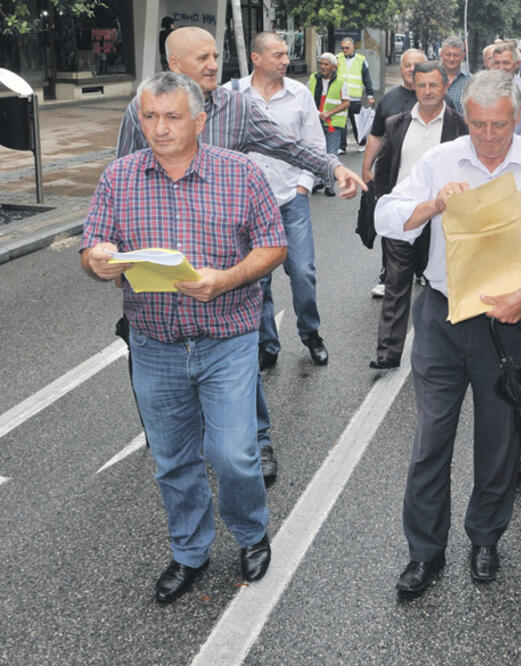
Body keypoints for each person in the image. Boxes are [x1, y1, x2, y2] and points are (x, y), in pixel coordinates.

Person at [116, 26, 365, 488]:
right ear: (175, 66)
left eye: (216, 55)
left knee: (235, 352)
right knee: (165, 360)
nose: (214, 65)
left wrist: (332, 166)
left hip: (226, 268)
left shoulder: (236, 108)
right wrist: (116, 255)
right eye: (202, 58)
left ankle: (258, 441)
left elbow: (288, 146)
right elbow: (121, 180)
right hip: (163, 268)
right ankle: (179, 443)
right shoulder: (145, 110)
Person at [375, 70, 521, 596]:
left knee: (498, 442)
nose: (489, 135)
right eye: (478, 124)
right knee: (430, 442)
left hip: (510, 322)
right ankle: (425, 553)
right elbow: (387, 215)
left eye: (500, 124)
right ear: (464, 117)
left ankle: (486, 537)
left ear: (518, 118)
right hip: (443, 317)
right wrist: (431, 205)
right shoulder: (441, 160)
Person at [81, 72, 287, 604]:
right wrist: (99, 261)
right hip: (154, 344)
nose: (160, 127)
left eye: (172, 116)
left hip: (226, 339)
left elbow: (272, 247)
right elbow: (93, 247)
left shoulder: (240, 174)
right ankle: (190, 552)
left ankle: (250, 534)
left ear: (199, 119)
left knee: (234, 454)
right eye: (149, 116)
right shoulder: (119, 178)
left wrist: (225, 279)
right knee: (172, 458)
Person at [225, 31, 330, 372]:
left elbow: (314, 145)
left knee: (303, 272)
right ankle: (267, 345)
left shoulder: (299, 95)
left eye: (287, 54)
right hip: (248, 207)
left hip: (290, 200)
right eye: (278, 55)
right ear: (256, 58)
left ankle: (310, 332)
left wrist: (304, 185)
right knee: (258, 280)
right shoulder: (232, 95)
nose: (286, 60)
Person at [369, 62, 468, 370]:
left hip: (442, 220)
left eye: (433, 85)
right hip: (405, 217)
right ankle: (388, 352)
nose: (427, 91)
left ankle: (445, 353)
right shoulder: (397, 123)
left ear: (444, 88)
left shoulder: (460, 126)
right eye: (421, 84)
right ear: (413, 85)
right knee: (396, 286)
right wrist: (381, 202)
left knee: (442, 287)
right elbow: (385, 167)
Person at [362, 48, 429, 299]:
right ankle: (387, 275)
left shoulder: (435, 98)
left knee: (426, 226)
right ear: (401, 68)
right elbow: (376, 135)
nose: (412, 70)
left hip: (426, 180)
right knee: (391, 226)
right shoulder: (388, 100)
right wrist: (366, 167)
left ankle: (423, 269)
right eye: (408, 65)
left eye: (417, 65)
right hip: (392, 177)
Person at [337, 37, 376, 152]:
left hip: (354, 97)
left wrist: (370, 96)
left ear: (353, 47)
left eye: (347, 48)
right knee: (341, 122)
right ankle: (341, 147)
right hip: (341, 97)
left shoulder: (361, 60)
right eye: (343, 48)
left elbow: (366, 79)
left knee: (357, 122)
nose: (344, 50)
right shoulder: (337, 58)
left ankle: (361, 143)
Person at [310, 52, 349, 164]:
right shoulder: (313, 78)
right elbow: (307, 98)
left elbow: (346, 103)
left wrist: (328, 113)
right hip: (316, 121)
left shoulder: (341, 81)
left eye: (326, 64)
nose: (322, 67)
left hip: (333, 124)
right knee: (317, 154)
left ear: (333, 67)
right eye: (321, 64)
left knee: (331, 155)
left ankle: (329, 181)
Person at [440, 36, 469, 114]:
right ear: (441, 54)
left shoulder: (471, 82)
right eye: (448, 55)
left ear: (463, 56)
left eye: (456, 55)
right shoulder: (431, 77)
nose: (451, 59)